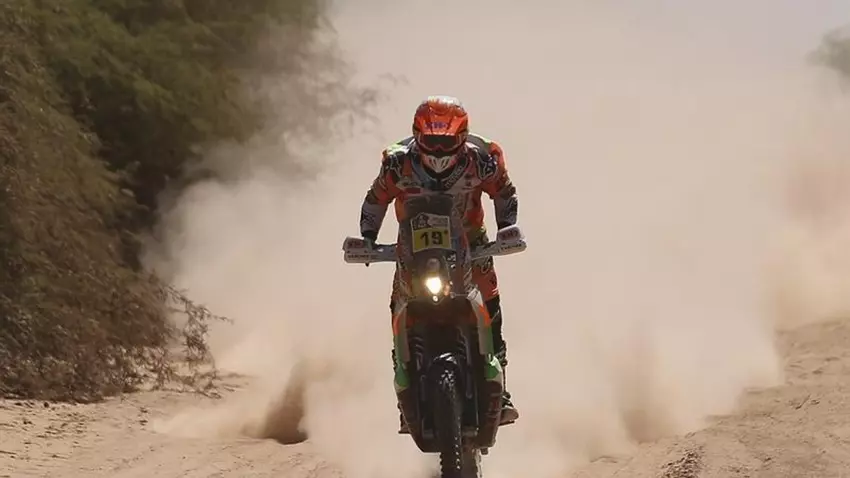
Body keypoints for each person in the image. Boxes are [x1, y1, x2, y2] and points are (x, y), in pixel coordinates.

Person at [358, 95, 520, 433]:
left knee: (490, 300)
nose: (438, 150)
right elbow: (376, 200)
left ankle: (501, 388)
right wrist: (368, 238)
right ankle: (405, 389)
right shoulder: (396, 162)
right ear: (417, 135)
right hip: (413, 245)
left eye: (446, 142)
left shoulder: (483, 158)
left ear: (462, 137)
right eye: (431, 140)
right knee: (399, 303)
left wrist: (506, 229)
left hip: (470, 240)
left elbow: (504, 192)